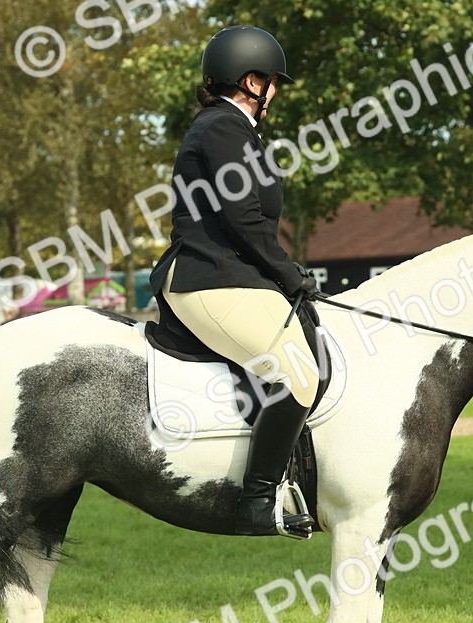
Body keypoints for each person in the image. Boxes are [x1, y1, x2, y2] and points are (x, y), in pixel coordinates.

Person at [148, 25, 319, 539]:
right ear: (251, 80)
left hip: (230, 277)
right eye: (272, 83)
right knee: (296, 376)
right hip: (207, 277)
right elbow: (243, 220)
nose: (275, 94)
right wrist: (290, 273)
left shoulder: (235, 130)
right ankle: (257, 501)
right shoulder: (223, 128)